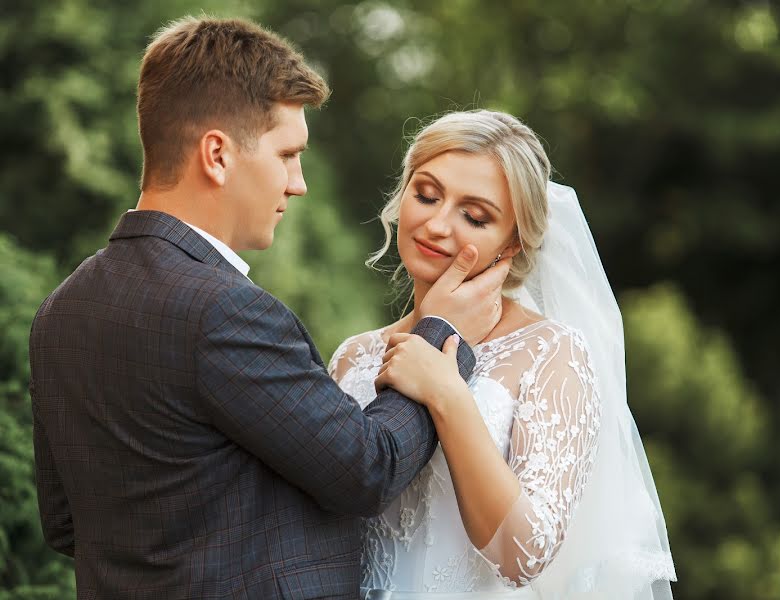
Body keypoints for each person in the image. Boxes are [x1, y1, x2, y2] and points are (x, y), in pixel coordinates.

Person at [28, 17, 511, 599]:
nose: (298, 182)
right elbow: (367, 471)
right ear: (218, 155)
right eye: (287, 154)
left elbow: (63, 521)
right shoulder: (223, 312)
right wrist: (443, 334)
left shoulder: (60, 311)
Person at [329, 110, 677, 599]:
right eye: (426, 194)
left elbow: (524, 556)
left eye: (474, 216)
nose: (436, 224)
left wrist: (447, 392)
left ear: (511, 242)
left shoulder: (551, 353)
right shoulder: (352, 357)